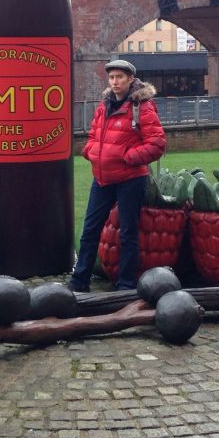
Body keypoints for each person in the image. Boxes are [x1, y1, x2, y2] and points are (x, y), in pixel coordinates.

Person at [70, 59, 166, 292]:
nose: (115, 82)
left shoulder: (142, 106)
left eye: (119, 77)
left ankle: (126, 284)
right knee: (90, 230)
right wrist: (90, 151)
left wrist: (128, 157)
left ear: (130, 79)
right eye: (111, 78)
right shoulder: (104, 106)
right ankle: (79, 281)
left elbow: (157, 143)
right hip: (102, 179)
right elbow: (94, 135)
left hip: (130, 180)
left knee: (128, 233)